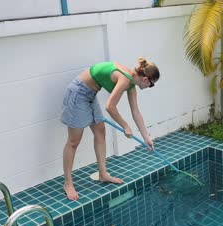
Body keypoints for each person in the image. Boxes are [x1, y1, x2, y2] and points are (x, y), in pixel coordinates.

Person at [61, 58, 160, 200]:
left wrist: (146, 138)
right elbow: (110, 107)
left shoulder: (131, 84)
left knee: (100, 132)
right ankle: (68, 183)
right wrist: (125, 126)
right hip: (78, 93)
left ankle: (103, 174)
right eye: (151, 85)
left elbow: (136, 112)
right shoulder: (125, 79)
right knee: (73, 141)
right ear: (145, 79)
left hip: (90, 94)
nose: (150, 87)